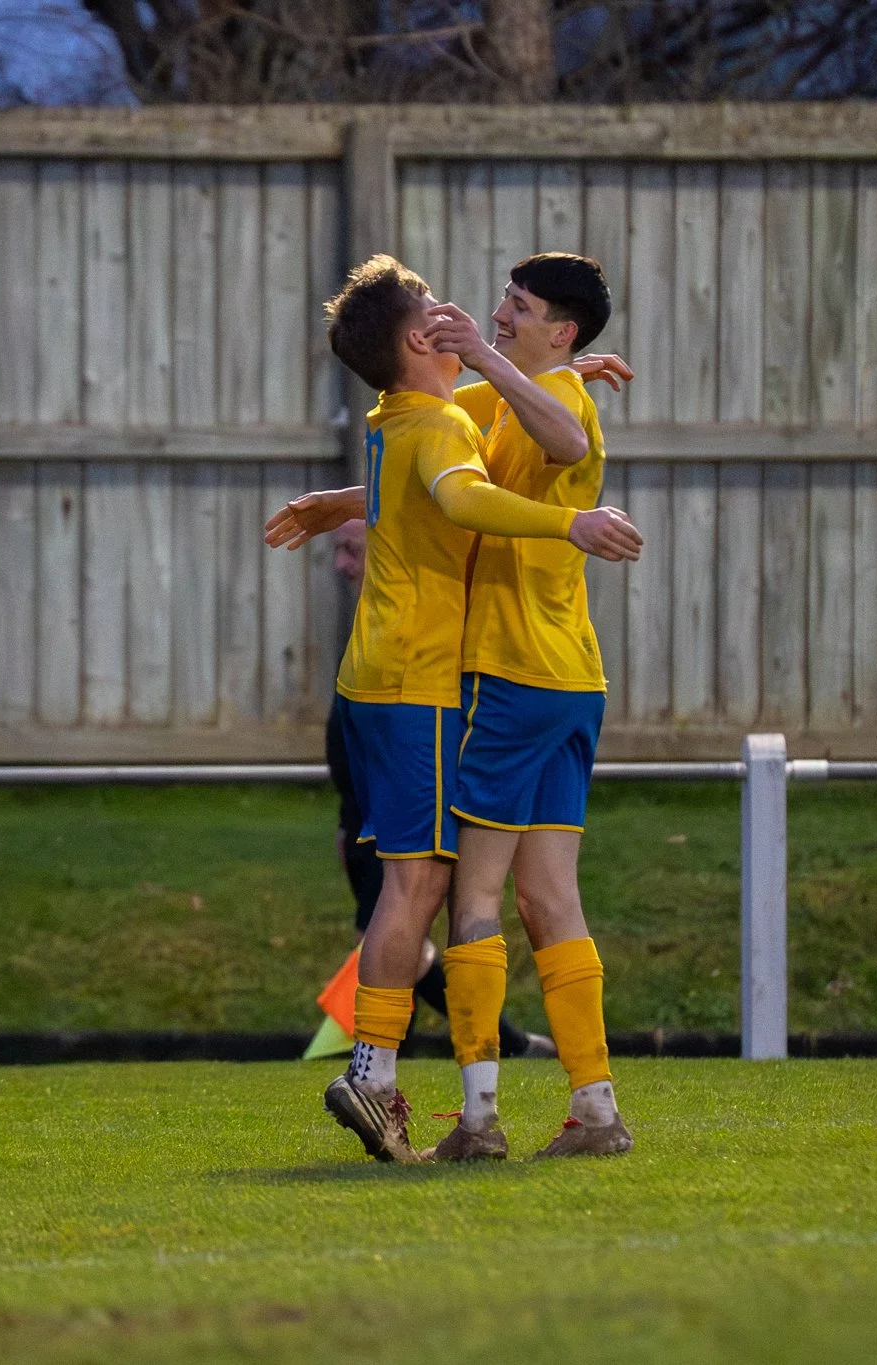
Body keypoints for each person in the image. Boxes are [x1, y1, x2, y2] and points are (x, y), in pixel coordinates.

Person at [263, 254, 642, 1164]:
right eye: (458, 311)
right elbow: (460, 481)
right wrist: (556, 387)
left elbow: (524, 456)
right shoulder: (445, 416)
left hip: (476, 679)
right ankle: (589, 1109)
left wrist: (558, 383)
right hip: (537, 676)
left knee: (457, 891)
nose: (482, 317)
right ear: (417, 342)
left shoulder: (425, 414)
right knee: (506, 892)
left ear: (559, 330)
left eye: (517, 308)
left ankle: (446, 1107)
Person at [322, 518, 550, 1061]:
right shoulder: (375, 625)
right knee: (413, 925)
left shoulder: (422, 628)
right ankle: (466, 1054)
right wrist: (347, 815)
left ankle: (395, 1064)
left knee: (426, 919)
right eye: (338, 551)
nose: (341, 565)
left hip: (403, 800)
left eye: (352, 549)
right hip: (367, 810)